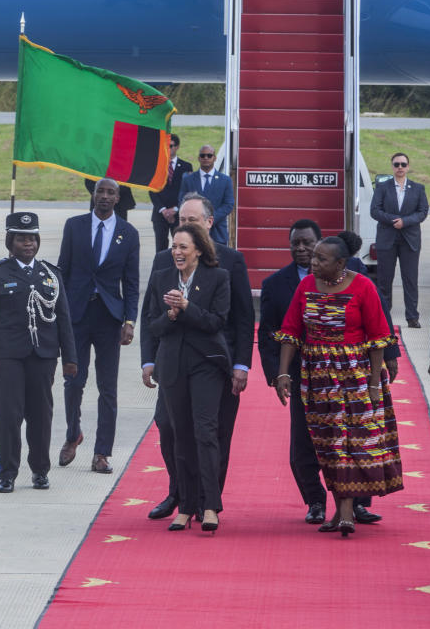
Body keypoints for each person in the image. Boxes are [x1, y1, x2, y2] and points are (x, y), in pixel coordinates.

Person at [259, 220, 398, 525]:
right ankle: (328, 506)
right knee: (325, 442)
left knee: (353, 442)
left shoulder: (363, 284)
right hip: (316, 378)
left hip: (356, 378)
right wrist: (282, 374)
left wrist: (375, 382)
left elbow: (378, 335)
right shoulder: (305, 286)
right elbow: (290, 332)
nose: (312, 261)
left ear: (340, 263)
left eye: (320, 258)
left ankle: (349, 511)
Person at [140, 193, 253, 520]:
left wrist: (241, 364)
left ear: (208, 223)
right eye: (181, 221)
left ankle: (207, 500)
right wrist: (149, 359)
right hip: (173, 363)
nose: (185, 227)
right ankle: (179, 493)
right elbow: (150, 314)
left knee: (213, 432)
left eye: (192, 221)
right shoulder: (165, 260)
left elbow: (243, 319)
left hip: (216, 363)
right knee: (169, 427)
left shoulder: (230, 261)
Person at [0, 212, 77, 493]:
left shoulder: (50, 274)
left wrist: (70, 358)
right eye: (21, 239)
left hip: (43, 355)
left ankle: (40, 471)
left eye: (32, 238)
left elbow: (63, 318)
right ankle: (7, 472)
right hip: (7, 356)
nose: (28, 244)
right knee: (8, 416)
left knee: (41, 416)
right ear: (11, 242)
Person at [144, 223, 230, 533]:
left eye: (183, 247)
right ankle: (185, 506)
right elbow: (152, 326)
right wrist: (169, 315)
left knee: (204, 432)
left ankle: (210, 506)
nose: (177, 252)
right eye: (174, 246)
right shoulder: (160, 278)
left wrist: (187, 307)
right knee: (180, 435)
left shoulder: (217, 278)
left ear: (198, 249)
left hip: (206, 364)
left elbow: (217, 321)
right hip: (172, 365)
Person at [57, 178, 139, 473]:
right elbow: (62, 272)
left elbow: (131, 283)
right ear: (93, 195)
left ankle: (102, 452)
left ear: (118, 198)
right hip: (76, 317)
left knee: (108, 388)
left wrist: (130, 320)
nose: (104, 196)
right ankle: (72, 435)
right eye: (100, 191)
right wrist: (59, 316)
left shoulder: (128, 234)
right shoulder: (74, 226)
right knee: (73, 382)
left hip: (109, 319)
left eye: (110, 193)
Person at [370, 152, 429, 328]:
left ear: (408, 167)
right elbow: (374, 210)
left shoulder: (418, 188)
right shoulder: (382, 187)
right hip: (387, 239)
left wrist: (405, 222)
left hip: (410, 240)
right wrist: (392, 220)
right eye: (397, 164)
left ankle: (412, 317)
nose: (400, 168)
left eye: (403, 164)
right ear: (392, 166)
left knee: (410, 279)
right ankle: (384, 317)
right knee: (384, 280)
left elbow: (423, 211)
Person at [178, 145, 235, 245]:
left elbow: (228, 204)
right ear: (199, 158)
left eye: (209, 155)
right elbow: (182, 202)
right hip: (193, 233)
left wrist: (209, 220)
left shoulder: (225, 180)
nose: (206, 158)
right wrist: (195, 220)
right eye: (203, 155)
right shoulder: (188, 179)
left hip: (217, 233)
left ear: (214, 158)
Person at [149, 133, 193, 253]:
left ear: (177, 147)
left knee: (180, 247)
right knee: (160, 248)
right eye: (166, 146)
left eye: (171, 146)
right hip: (160, 215)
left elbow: (188, 191)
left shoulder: (186, 166)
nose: (168, 148)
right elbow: (152, 190)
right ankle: (160, 271)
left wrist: (176, 209)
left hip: (179, 215)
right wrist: (163, 210)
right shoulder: (156, 165)